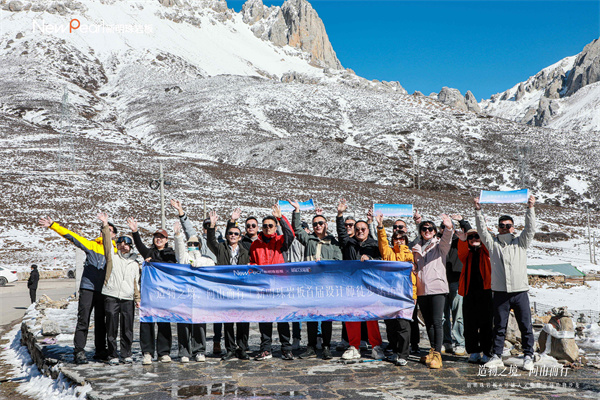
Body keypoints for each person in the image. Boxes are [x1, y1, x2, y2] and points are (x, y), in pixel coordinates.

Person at [38, 216, 114, 364]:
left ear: (114, 235)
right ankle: (79, 351)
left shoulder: (115, 250)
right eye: (104, 230)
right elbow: (72, 237)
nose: (105, 233)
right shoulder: (91, 245)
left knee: (101, 322)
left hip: (104, 290)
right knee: (83, 320)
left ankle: (101, 350)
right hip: (88, 288)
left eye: (109, 231)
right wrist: (53, 225)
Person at [475, 195, 537, 371]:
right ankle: (496, 355)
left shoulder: (520, 243)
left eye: (508, 226)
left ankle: (528, 356)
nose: (505, 228)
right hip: (501, 292)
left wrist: (530, 208)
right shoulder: (493, 244)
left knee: (525, 325)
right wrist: (478, 211)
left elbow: (531, 228)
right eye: (502, 226)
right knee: (499, 326)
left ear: (513, 228)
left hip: (520, 291)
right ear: (498, 228)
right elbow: (481, 230)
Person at [288, 199, 342, 360]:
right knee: (311, 316)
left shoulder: (333, 242)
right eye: (315, 224)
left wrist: (324, 264)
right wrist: (297, 210)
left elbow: (339, 262)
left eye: (320, 223)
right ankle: (310, 346)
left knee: (326, 318)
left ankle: (326, 346)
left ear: (326, 224)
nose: (318, 226)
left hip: (327, 285)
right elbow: (297, 229)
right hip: (311, 285)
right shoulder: (309, 240)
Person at [170, 199, 224, 355]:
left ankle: (216, 341)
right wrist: (181, 211)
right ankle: (189, 349)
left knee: (216, 316)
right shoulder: (196, 240)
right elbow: (187, 232)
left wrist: (231, 222)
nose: (208, 228)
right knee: (195, 316)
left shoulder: (218, 241)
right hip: (195, 284)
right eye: (205, 226)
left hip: (213, 281)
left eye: (210, 225)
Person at [336, 199, 384, 361]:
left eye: (363, 229)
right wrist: (340, 214)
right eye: (357, 229)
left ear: (367, 230)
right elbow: (342, 233)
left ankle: (376, 346)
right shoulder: (349, 243)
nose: (360, 231)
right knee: (352, 317)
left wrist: (369, 257)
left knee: (371, 317)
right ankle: (353, 346)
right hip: (351, 286)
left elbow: (381, 258)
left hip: (369, 286)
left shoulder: (374, 244)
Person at [127, 217, 176, 365]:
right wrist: (135, 231)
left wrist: (154, 263)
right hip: (149, 294)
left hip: (164, 294)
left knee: (163, 323)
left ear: (167, 240)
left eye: (161, 237)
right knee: (147, 322)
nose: (158, 240)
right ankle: (147, 353)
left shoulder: (171, 255)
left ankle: (164, 352)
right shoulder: (149, 252)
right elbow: (139, 244)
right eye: (156, 237)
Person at [249, 205, 295, 361]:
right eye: (265, 226)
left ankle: (286, 349)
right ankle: (266, 349)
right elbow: (252, 262)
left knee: (282, 319)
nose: (268, 228)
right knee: (265, 320)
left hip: (280, 285)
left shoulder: (281, 241)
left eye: (271, 226)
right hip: (263, 287)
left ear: (275, 228)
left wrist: (281, 218)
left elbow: (291, 235)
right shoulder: (256, 244)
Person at [206, 211, 252, 361]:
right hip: (225, 290)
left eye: (236, 234)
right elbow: (210, 241)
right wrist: (212, 225)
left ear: (240, 237)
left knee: (243, 321)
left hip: (242, 290)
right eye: (230, 233)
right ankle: (230, 349)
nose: (233, 235)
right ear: (227, 236)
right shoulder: (221, 248)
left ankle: (242, 348)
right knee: (228, 321)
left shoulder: (246, 251)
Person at [98, 213, 140, 365]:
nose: (123, 245)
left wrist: (137, 298)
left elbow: (136, 283)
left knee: (127, 328)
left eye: (126, 244)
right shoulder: (112, 258)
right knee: (111, 327)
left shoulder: (135, 264)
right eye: (120, 243)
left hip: (127, 298)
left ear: (130, 247)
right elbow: (107, 244)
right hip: (111, 295)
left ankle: (126, 353)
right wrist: (105, 224)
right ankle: (112, 354)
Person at [412, 214, 453, 369]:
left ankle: (438, 354)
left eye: (430, 228)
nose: (427, 231)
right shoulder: (416, 248)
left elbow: (447, 239)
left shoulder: (439, 246)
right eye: (424, 229)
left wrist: (448, 227)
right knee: (428, 322)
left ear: (435, 231)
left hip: (437, 288)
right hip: (422, 289)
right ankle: (432, 350)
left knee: (437, 321)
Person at [376, 213, 416, 366]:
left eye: (402, 238)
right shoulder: (389, 253)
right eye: (395, 239)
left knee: (403, 325)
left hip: (405, 295)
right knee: (391, 325)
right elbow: (382, 242)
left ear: (406, 240)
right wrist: (380, 226)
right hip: (390, 294)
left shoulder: (411, 254)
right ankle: (394, 350)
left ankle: (404, 354)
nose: (398, 241)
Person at [173, 221, 215, 363]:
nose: (192, 246)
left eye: (195, 244)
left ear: (199, 246)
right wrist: (178, 236)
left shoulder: (205, 259)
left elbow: (211, 266)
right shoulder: (184, 258)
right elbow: (179, 251)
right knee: (183, 325)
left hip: (200, 297)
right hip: (184, 295)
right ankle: (184, 352)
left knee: (199, 325)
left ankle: (199, 351)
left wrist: (198, 263)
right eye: (189, 244)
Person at [456, 228, 493, 364]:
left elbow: (489, 246)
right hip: (469, 292)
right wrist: (463, 240)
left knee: (486, 324)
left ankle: (487, 352)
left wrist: (483, 236)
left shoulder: (486, 252)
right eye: (471, 237)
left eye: (477, 236)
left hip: (486, 291)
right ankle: (473, 351)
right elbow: (462, 252)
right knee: (470, 324)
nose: (474, 239)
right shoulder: (468, 254)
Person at [440, 214, 471, 356]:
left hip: (456, 280)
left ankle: (460, 342)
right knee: (443, 314)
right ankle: (446, 341)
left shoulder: (460, 240)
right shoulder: (438, 243)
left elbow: (470, 234)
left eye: (447, 227)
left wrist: (461, 221)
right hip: (440, 282)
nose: (445, 230)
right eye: (442, 227)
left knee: (458, 314)